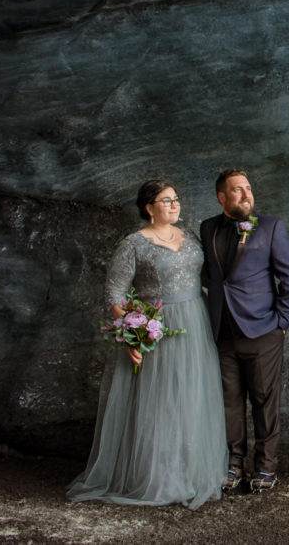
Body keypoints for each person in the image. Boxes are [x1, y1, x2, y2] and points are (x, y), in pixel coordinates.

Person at [67, 180, 228, 509]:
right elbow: (114, 293)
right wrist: (132, 331)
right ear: (148, 207)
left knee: (191, 396)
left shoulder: (191, 238)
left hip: (195, 324)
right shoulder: (133, 244)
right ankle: (157, 476)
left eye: (176, 199)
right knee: (160, 401)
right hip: (160, 326)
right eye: (166, 200)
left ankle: (191, 473)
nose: (174, 205)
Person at [201, 169, 289, 493]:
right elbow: (211, 277)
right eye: (237, 190)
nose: (246, 194)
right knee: (229, 402)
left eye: (248, 188)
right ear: (222, 198)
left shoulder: (271, 227)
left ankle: (266, 469)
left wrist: (281, 323)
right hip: (223, 332)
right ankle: (233, 465)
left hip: (263, 331)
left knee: (264, 402)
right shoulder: (208, 229)